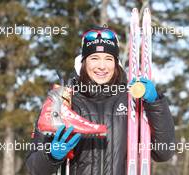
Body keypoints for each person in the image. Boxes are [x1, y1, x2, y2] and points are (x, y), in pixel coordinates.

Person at [26, 26, 175, 175]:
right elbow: (34, 169)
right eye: (94, 58)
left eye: (108, 59)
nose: (102, 66)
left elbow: (163, 152)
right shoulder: (64, 100)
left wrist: (155, 103)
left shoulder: (131, 100)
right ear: (84, 62)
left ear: (116, 63)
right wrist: (51, 156)